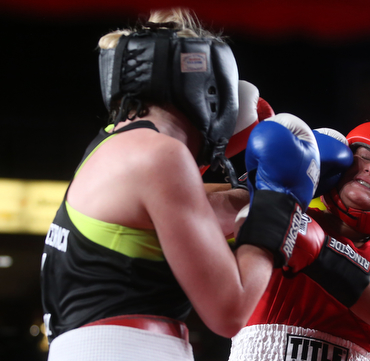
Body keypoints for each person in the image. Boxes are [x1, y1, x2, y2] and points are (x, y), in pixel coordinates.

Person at [39, 8, 320, 361]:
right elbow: (229, 311)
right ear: (206, 87)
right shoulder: (161, 155)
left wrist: (254, 195)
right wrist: (280, 199)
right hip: (128, 350)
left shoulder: (112, 145)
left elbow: (203, 217)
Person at [228, 113, 370, 361]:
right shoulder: (289, 210)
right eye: (365, 157)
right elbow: (191, 210)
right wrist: (259, 185)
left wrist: (320, 250)